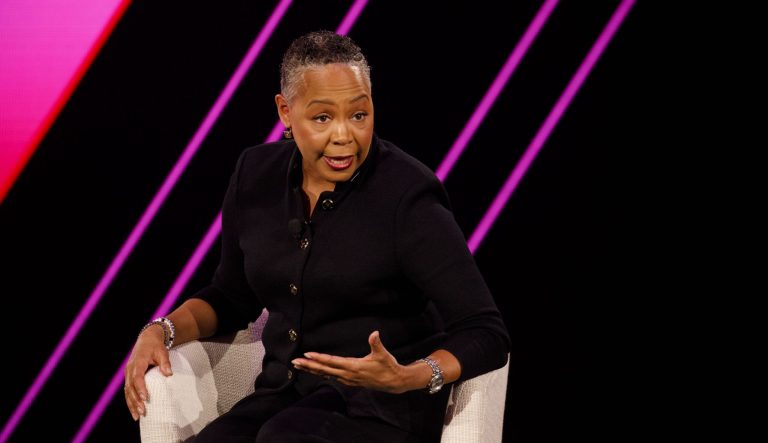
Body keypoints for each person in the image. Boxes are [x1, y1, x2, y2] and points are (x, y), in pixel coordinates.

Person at [124, 30, 510, 442]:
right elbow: (232, 297)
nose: (344, 135)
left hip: (383, 408)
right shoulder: (255, 175)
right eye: (322, 118)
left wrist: (410, 376)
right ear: (286, 112)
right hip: (284, 395)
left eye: (358, 115)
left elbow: (486, 330)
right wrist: (160, 330)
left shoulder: (406, 195)